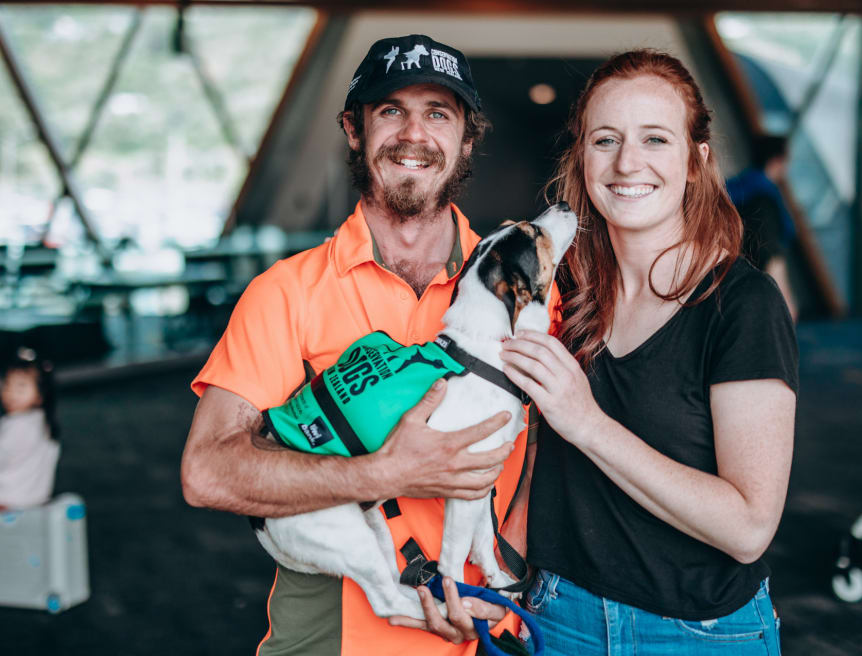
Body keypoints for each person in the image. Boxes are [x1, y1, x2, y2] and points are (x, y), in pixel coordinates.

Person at [181, 35, 525, 656]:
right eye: (391, 110)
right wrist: (384, 472)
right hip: (332, 639)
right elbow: (208, 472)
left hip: (487, 626)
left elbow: (556, 454)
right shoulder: (285, 292)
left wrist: (514, 566)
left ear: (468, 139)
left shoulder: (524, 293)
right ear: (354, 129)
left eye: (438, 113)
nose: (413, 133)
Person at [499, 50, 798, 655]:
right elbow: (540, 455)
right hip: (556, 617)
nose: (627, 163)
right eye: (605, 140)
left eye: (655, 139)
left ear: (696, 161)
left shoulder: (741, 306)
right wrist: (501, 564)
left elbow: (748, 528)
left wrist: (588, 423)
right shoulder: (563, 292)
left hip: (698, 634)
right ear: (581, 160)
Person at [726, 134, 798, 322]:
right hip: (757, 290)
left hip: (727, 286)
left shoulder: (734, 188)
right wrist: (785, 299)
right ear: (777, 161)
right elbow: (769, 249)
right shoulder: (764, 198)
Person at [0, 348, 60, 511]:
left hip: (10, 501)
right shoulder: (44, 422)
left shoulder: (18, 424)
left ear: (40, 393)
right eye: (7, 386)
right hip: (38, 498)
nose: (11, 393)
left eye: (20, 388)